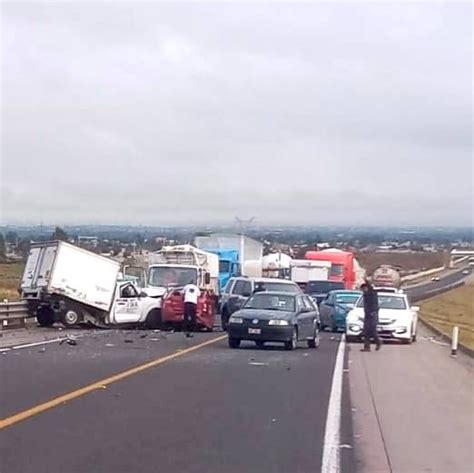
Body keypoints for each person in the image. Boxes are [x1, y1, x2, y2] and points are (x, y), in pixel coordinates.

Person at [360, 279, 382, 351]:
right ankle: (367, 347)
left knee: (372, 330)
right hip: (367, 314)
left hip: (373, 314)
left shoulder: (372, 294)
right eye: (362, 289)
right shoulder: (365, 295)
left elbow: (374, 304)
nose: (363, 290)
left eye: (364, 288)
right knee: (366, 331)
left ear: (367, 288)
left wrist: (366, 280)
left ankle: (378, 342)